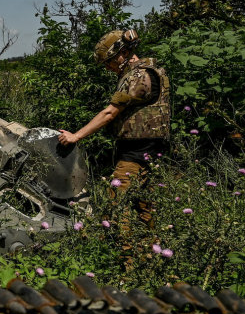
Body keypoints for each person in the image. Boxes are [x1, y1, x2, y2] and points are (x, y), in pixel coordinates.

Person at [57, 29, 170, 227]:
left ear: (123, 53)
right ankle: (148, 252)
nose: (108, 67)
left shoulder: (139, 76)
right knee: (144, 208)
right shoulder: (147, 72)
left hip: (136, 153)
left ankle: (124, 255)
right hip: (149, 152)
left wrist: (76, 136)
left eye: (109, 61)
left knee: (116, 207)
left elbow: (110, 113)